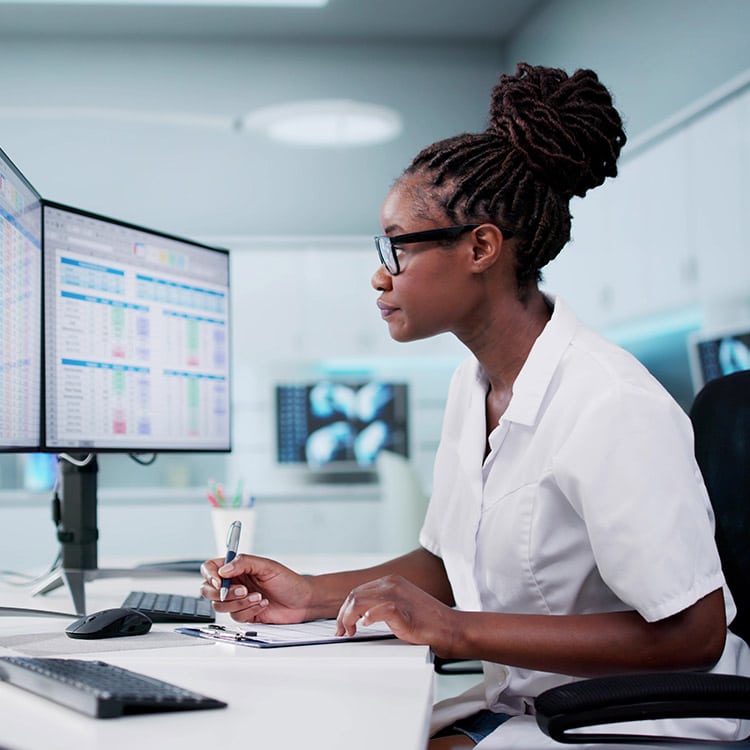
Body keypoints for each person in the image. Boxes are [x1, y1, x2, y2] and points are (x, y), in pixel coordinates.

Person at [201, 63, 750, 747]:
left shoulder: (611, 404)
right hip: (530, 705)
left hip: (641, 722)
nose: (380, 273)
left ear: (482, 248)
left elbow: (694, 634)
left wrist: (454, 629)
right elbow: (445, 564)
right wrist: (309, 592)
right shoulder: (476, 385)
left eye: (397, 246)